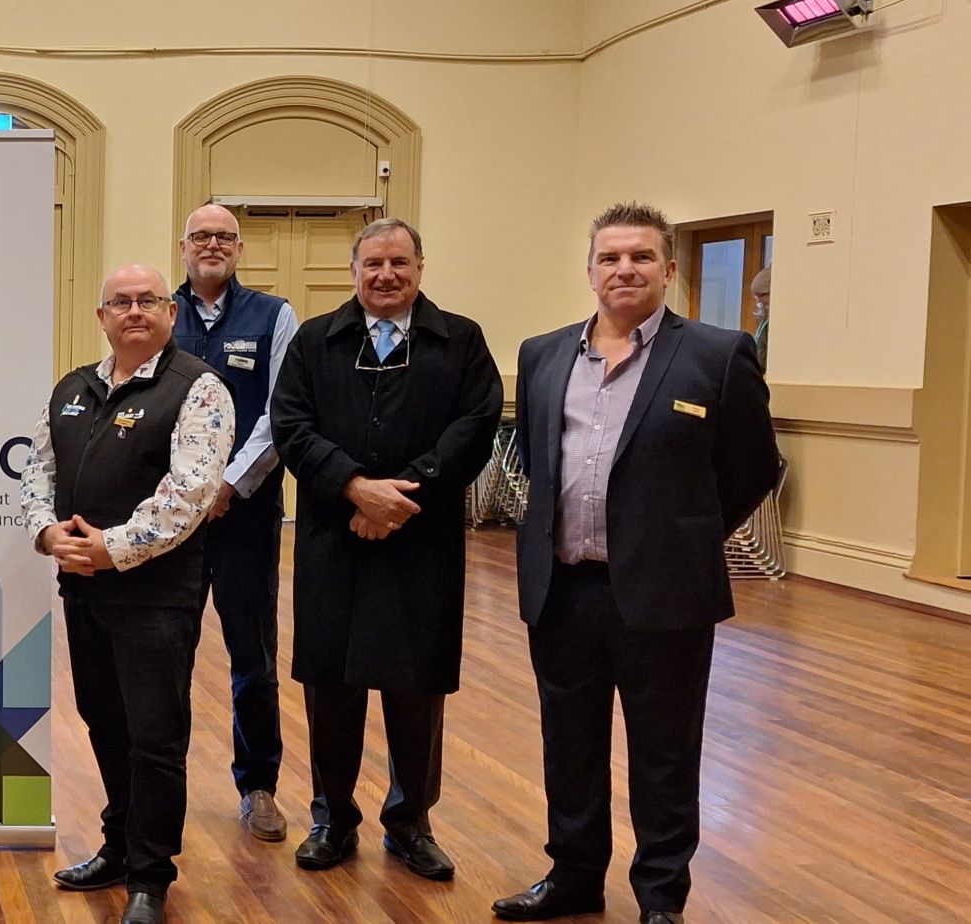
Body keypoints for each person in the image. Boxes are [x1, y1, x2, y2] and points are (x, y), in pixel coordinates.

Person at [493, 202, 779, 924]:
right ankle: (574, 879)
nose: (625, 269)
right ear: (589, 270)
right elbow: (534, 456)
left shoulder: (717, 353)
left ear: (669, 269)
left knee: (664, 755)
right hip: (563, 589)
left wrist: (682, 537)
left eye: (642, 257)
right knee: (571, 747)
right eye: (611, 258)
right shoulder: (543, 354)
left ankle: (660, 899)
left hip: (666, 595)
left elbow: (750, 467)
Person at [268, 218, 502, 882]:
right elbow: (291, 425)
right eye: (373, 263)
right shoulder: (316, 342)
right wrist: (353, 487)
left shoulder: (461, 342)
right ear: (354, 270)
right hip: (332, 539)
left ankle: (410, 823)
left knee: (416, 685)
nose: (386, 274)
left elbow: (476, 426)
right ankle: (332, 817)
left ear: (420, 268)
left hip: (421, 543)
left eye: (400, 262)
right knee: (332, 684)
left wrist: (401, 497)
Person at [20, 264, 235, 924]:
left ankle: (150, 873)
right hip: (83, 591)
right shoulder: (72, 389)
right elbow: (36, 472)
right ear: (102, 317)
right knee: (105, 722)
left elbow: (191, 493)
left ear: (171, 313)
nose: (134, 311)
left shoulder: (199, 389)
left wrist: (109, 548)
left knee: (154, 736)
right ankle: (116, 845)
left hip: (156, 596)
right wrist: (49, 532)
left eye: (148, 301)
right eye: (120, 302)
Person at [169, 204, 299, 842]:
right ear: (183, 246)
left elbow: (283, 412)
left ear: (239, 248)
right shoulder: (158, 314)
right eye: (201, 236)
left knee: (254, 657)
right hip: (170, 523)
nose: (212, 245)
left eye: (223, 236)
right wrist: (184, 495)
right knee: (167, 655)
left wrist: (226, 484)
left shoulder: (274, 317)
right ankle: (161, 793)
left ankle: (259, 787)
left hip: (245, 515)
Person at [749, 265, 770, 370]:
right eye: (756, 297)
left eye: (762, 295)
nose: (759, 301)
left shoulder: (773, 323)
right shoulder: (764, 320)